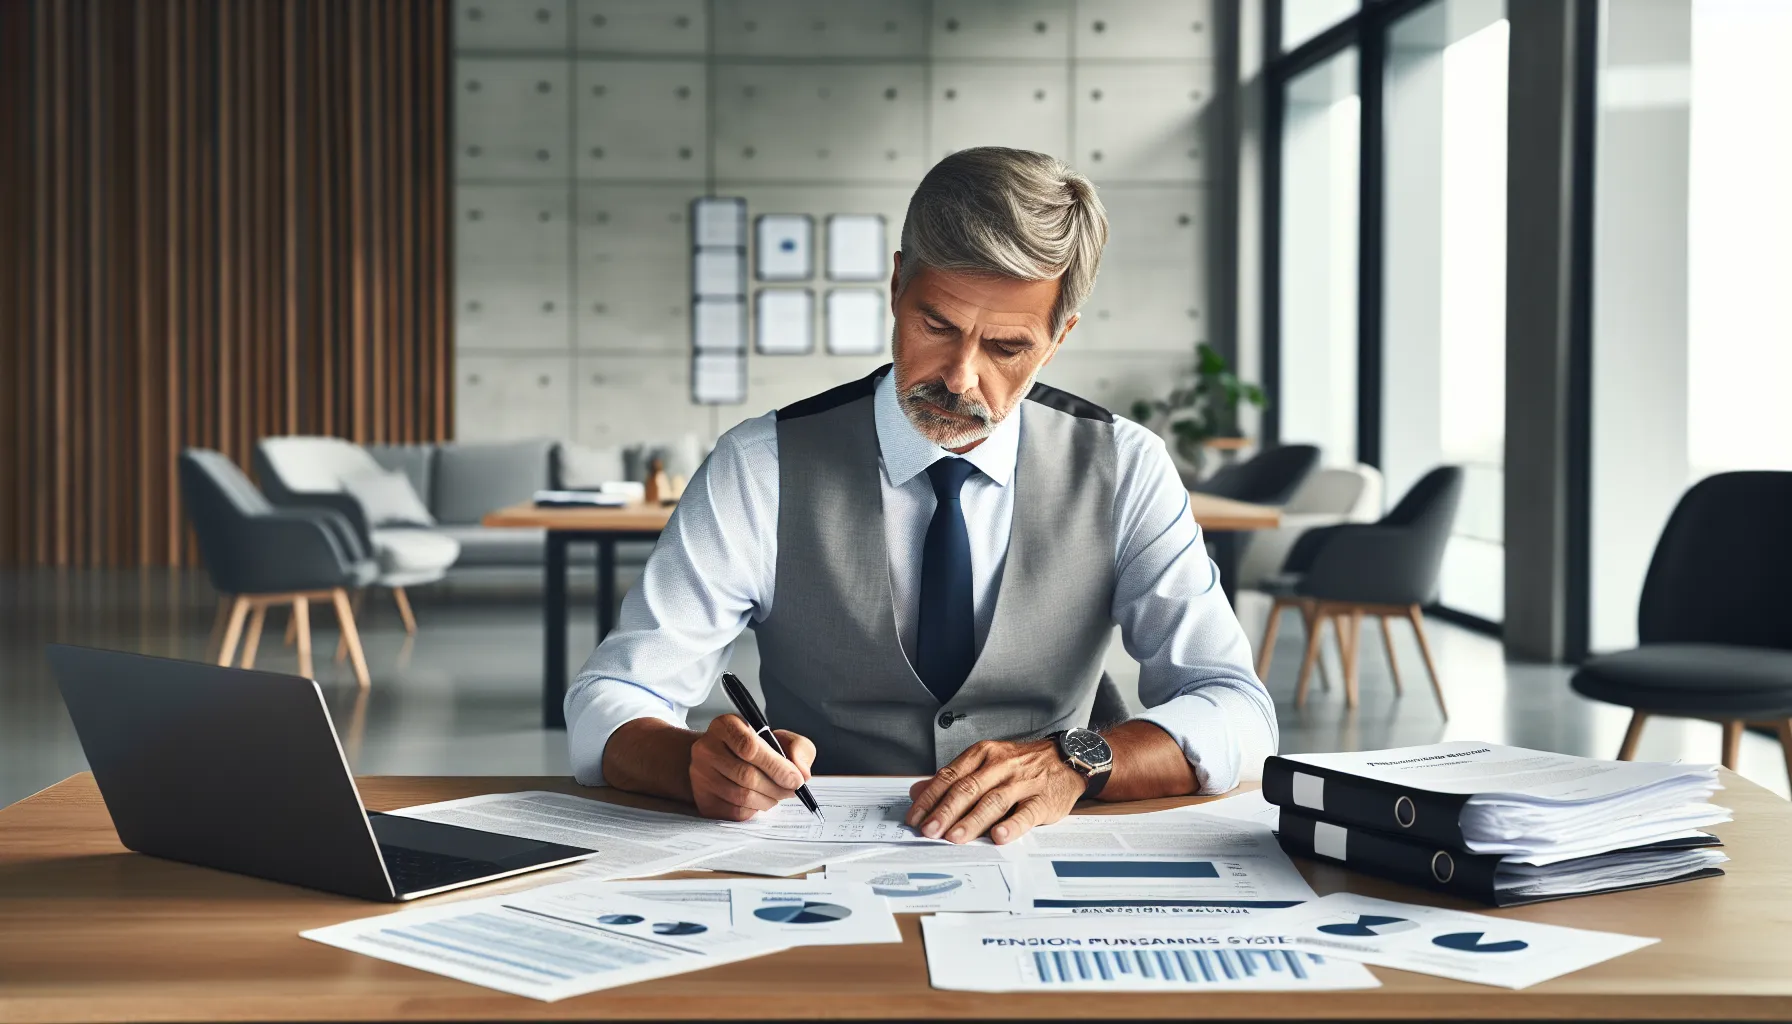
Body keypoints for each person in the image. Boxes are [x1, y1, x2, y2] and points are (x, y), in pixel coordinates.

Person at [567, 147, 1276, 845]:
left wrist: (1078, 761)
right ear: (898, 284)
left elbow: (1237, 709)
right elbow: (612, 699)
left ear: (1059, 338)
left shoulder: (1125, 467)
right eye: (937, 325)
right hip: (816, 859)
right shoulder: (760, 466)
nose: (961, 377)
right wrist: (692, 763)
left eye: (1006, 347)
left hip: (1043, 854)